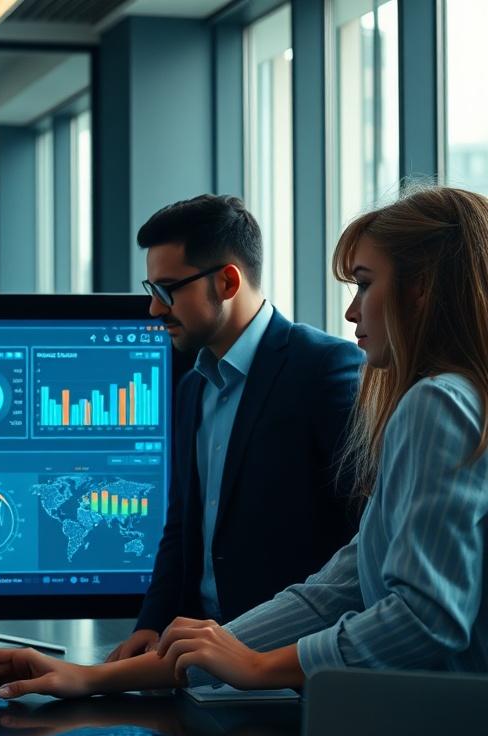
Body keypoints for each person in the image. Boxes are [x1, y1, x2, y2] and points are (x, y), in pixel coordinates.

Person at [0, 185, 488, 700]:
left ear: (420, 289)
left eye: (365, 284)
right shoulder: (194, 384)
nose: (351, 311)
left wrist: (258, 667)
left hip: (408, 718)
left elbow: (424, 618)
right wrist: (96, 675)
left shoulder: (422, 400)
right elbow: (337, 587)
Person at [105, 195, 363, 663]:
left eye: (166, 290)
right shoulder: (191, 386)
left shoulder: (325, 369)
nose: (153, 309)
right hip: (198, 661)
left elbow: (363, 537)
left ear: (226, 281)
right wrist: (151, 623)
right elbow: (183, 525)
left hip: (288, 663)